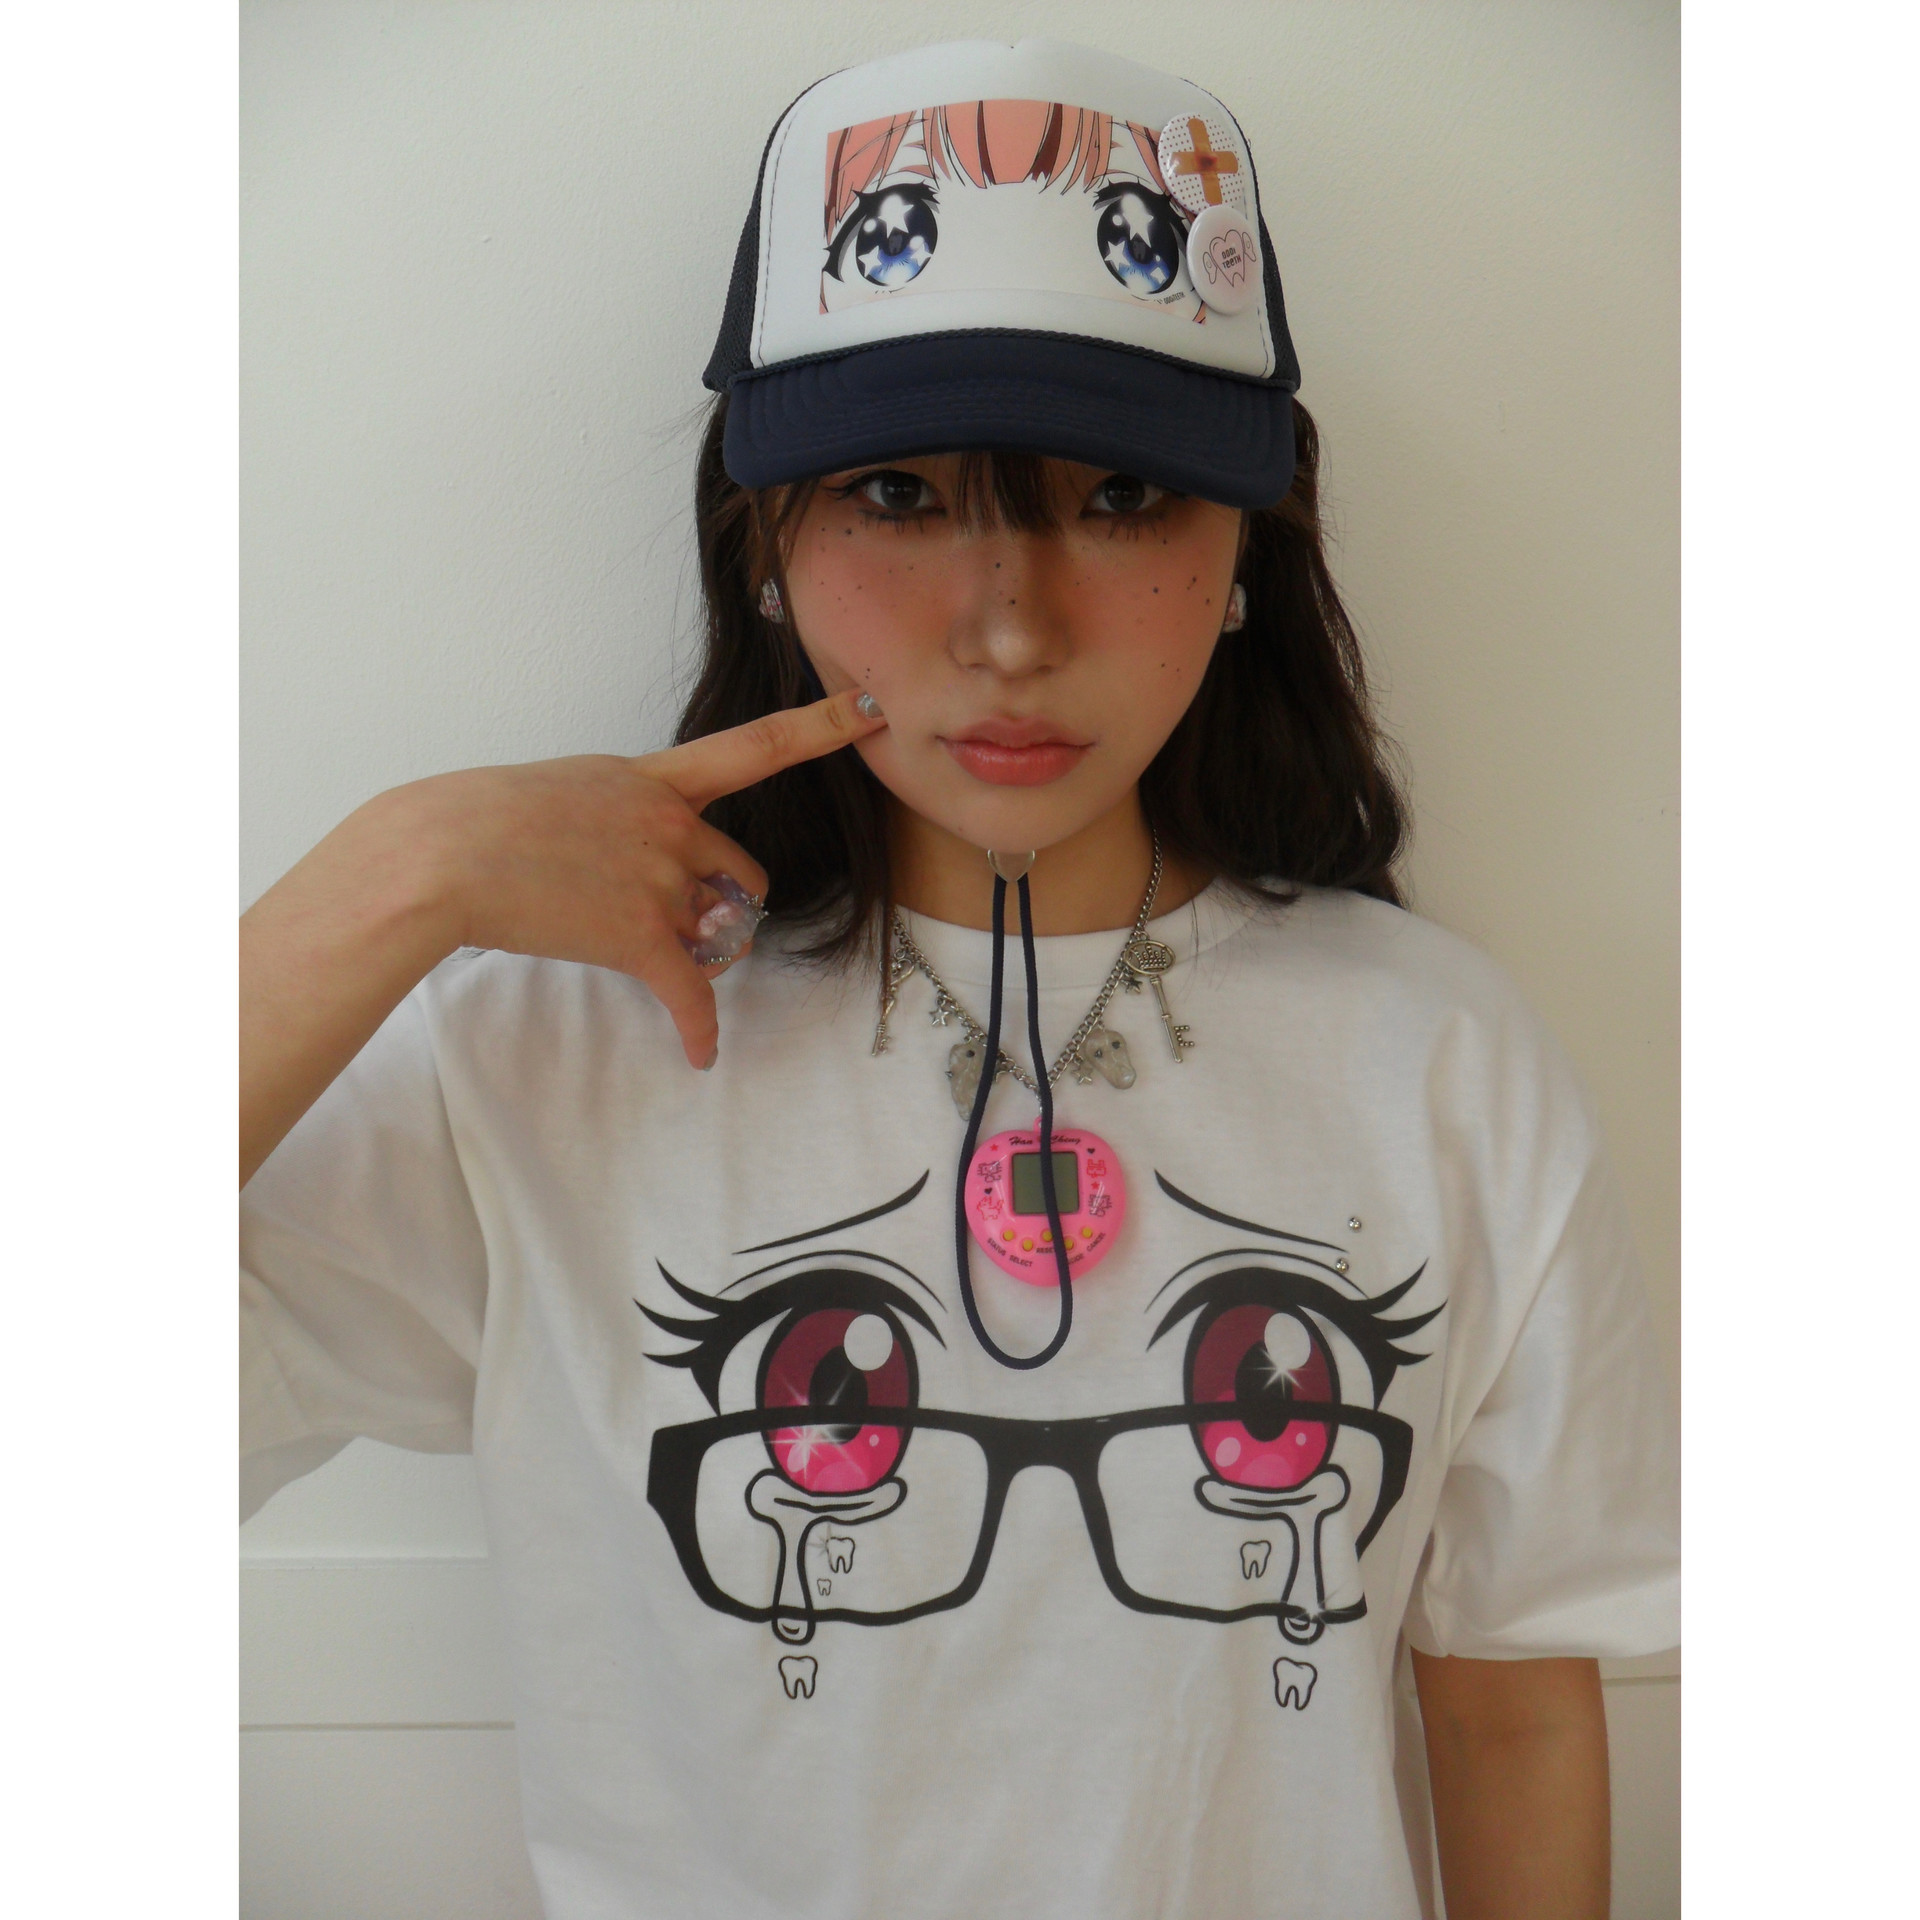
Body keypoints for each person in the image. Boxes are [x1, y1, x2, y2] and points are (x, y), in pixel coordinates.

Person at [241, 37, 1677, 1920]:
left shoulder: (1441, 1060)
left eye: (1123, 496)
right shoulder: (545, 1045)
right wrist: (390, 878)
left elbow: (1511, 1707)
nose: (1011, 626)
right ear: (763, 541)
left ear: (1251, 544)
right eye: (903, 494)